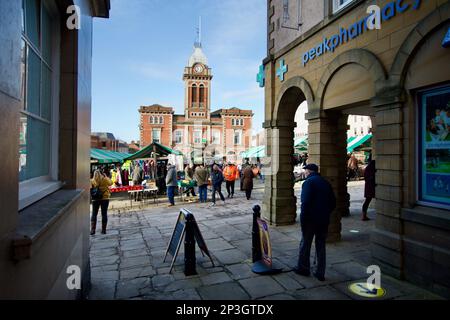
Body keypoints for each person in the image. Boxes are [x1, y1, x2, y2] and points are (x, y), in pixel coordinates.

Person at [294, 164, 336, 281]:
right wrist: (325, 213)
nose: (305, 172)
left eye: (305, 170)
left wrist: (303, 219)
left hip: (310, 220)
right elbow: (333, 202)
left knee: (305, 243)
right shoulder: (325, 182)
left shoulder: (308, 183)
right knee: (321, 245)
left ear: (309, 171)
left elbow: (305, 203)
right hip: (323, 219)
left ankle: (303, 268)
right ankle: (320, 272)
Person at [90, 170, 113, 235]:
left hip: (95, 199)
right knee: (104, 213)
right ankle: (103, 230)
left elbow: (90, 188)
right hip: (105, 198)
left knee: (94, 214)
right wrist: (106, 177)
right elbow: (111, 183)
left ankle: (92, 230)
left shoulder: (92, 181)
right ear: (100, 174)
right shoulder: (105, 179)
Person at [362, 156, 376, 221]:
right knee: (367, 201)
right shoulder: (372, 167)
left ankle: (364, 215)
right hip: (371, 187)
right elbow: (371, 177)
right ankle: (364, 216)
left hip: (368, 186)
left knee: (367, 201)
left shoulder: (368, 168)